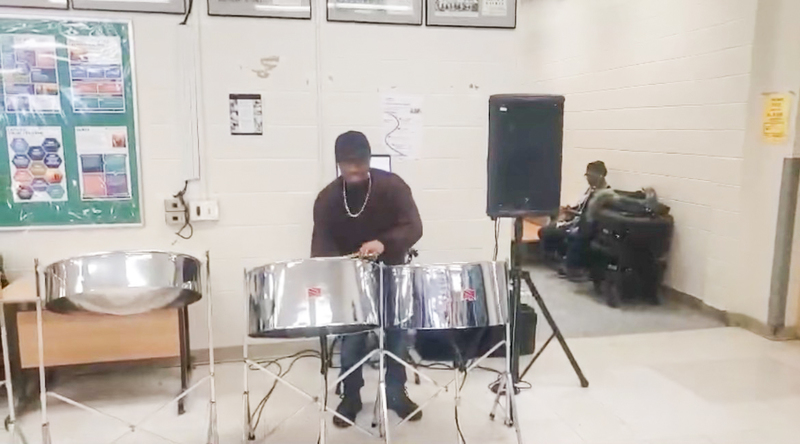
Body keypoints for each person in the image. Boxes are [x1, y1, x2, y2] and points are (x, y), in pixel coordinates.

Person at [311, 131, 423, 427]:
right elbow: (320, 246)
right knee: (352, 339)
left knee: (397, 335)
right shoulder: (328, 199)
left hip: (391, 270)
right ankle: (351, 396)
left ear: (369, 159)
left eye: (361, 163)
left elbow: (414, 226)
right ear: (338, 164)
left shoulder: (392, 186)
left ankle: (397, 394)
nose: (356, 170)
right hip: (351, 278)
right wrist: (340, 268)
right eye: (349, 165)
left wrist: (383, 243)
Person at [538, 161, 610, 280]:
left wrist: (573, 214)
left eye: (590, 176)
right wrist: (570, 210)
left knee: (564, 233)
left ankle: (572, 266)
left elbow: (590, 215)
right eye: (587, 176)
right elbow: (581, 207)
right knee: (546, 230)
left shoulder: (603, 195)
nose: (588, 180)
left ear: (600, 176)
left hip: (586, 226)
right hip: (577, 221)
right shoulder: (590, 191)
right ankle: (556, 259)